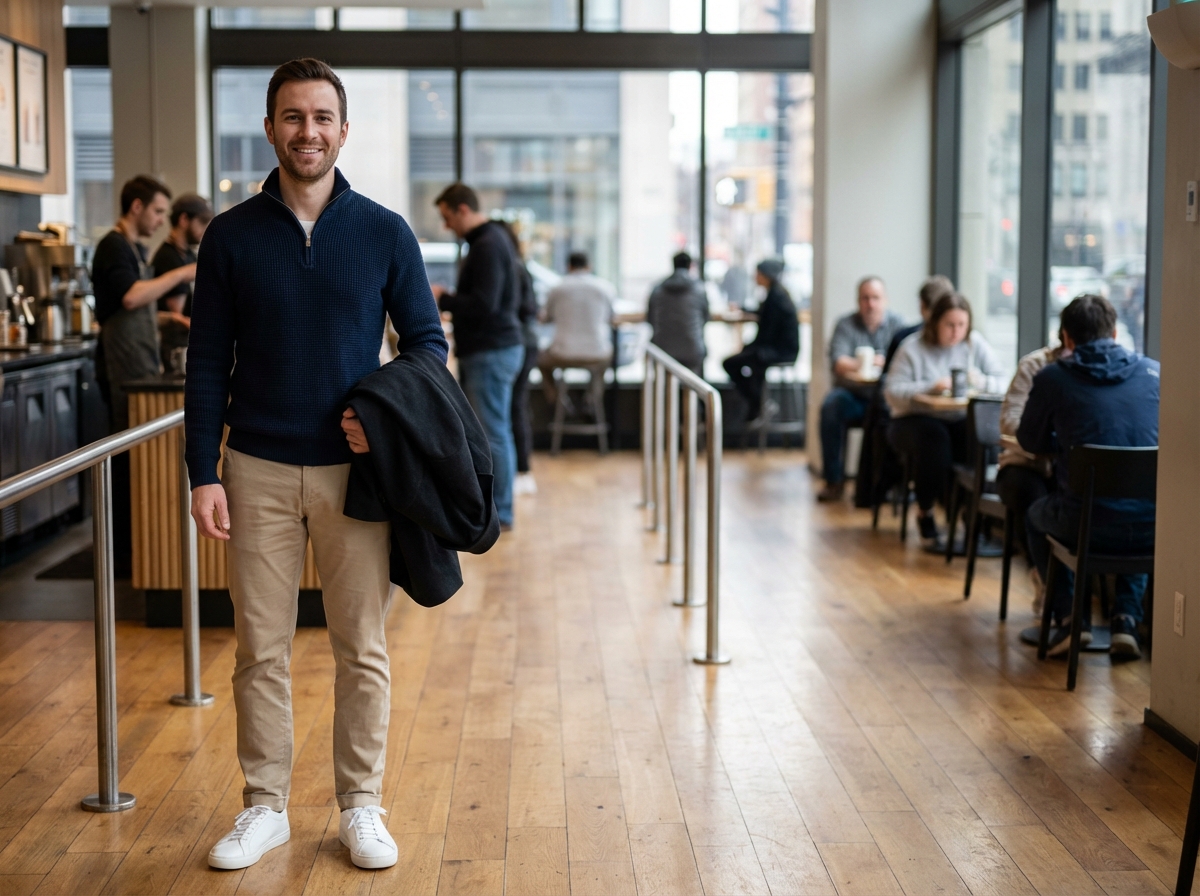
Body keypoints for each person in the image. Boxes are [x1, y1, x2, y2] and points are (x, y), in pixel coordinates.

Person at [186, 58, 449, 872]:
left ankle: (360, 804)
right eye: (293, 117)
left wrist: (383, 418)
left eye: (322, 117)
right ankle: (263, 807)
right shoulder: (230, 235)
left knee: (359, 646)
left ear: (343, 128)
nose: (308, 131)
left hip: (353, 474)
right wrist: (203, 470)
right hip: (256, 466)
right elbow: (204, 364)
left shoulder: (383, 231)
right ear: (270, 128)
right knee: (259, 649)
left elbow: (428, 346)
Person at [1018, 295, 1159, 660]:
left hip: (1085, 524)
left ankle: (1070, 619)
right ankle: (1126, 621)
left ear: (1065, 338)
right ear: (1114, 332)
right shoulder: (1152, 372)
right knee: (1137, 505)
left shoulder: (1052, 377)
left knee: (1035, 515)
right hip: (1153, 528)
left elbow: (1029, 440)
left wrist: (1066, 442)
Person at [430, 184, 524, 531]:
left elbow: (485, 303)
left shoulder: (487, 245)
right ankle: (496, 510)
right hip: (494, 348)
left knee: (492, 433)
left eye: (446, 217)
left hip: (492, 349)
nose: (446, 226)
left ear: (462, 210)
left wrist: (445, 298)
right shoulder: (492, 241)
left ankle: (500, 513)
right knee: (494, 431)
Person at [885, 293, 1006, 547]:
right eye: (949, 325)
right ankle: (925, 511)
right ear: (935, 324)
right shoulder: (912, 348)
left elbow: (1003, 382)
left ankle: (970, 513)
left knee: (981, 440)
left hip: (958, 416)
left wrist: (980, 381)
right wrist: (930, 387)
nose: (956, 332)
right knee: (935, 441)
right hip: (913, 418)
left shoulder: (974, 344)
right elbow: (892, 393)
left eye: (961, 325)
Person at [92, 175, 196, 431]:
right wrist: (181, 274)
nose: (162, 220)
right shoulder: (113, 246)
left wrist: (171, 320)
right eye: (158, 211)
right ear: (137, 206)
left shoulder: (135, 248)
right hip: (120, 364)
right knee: (128, 453)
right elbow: (131, 297)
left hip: (140, 361)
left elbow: (139, 307)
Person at [816, 276, 905, 502]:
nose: (870, 304)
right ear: (858, 301)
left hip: (885, 397)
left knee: (900, 415)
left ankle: (889, 484)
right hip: (854, 396)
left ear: (885, 300)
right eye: (865, 298)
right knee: (831, 406)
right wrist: (867, 363)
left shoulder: (898, 325)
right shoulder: (845, 324)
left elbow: (904, 364)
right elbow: (839, 363)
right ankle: (833, 480)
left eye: (875, 298)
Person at [995, 336, 1066, 605]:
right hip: (1024, 462)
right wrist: (1048, 436)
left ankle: (1063, 596)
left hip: (1067, 469)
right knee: (1029, 494)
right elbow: (1009, 420)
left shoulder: (1095, 370)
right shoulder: (1035, 366)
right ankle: (1045, 577)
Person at [722, 258, 799, 423]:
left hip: (779, 352)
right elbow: (764, 318)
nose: (755, 277)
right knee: (748, 360)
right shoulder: (776, 294)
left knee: (731, 363)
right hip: (777, 349)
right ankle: (758, 403)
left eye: (758, 273)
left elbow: (767, 333)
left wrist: (748, 348)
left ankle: (758, 403)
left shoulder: (776, 298)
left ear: (766, 275)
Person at [152, 193, 214, 370]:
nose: (205, 229)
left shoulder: (188, 255)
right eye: (202, 223)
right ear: (184, 219)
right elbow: (178, 314)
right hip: (174, 350)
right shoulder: (167, 257)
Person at [503, 222, 539, 496]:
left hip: (517, 343)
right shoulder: (519, 266)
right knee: (516, 404)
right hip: (526, 342)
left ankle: (522, 470)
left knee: (514, 406)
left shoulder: (511, 268)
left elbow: (527, 308)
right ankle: (521, 469)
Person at [646, 251, 709, 376]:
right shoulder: (699, 289)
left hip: (662, 348)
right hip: (692, 348)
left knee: (663, 383)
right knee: (694, 384)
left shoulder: (658, 288)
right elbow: (705, 317)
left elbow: (650, 318)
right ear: (690, 266)